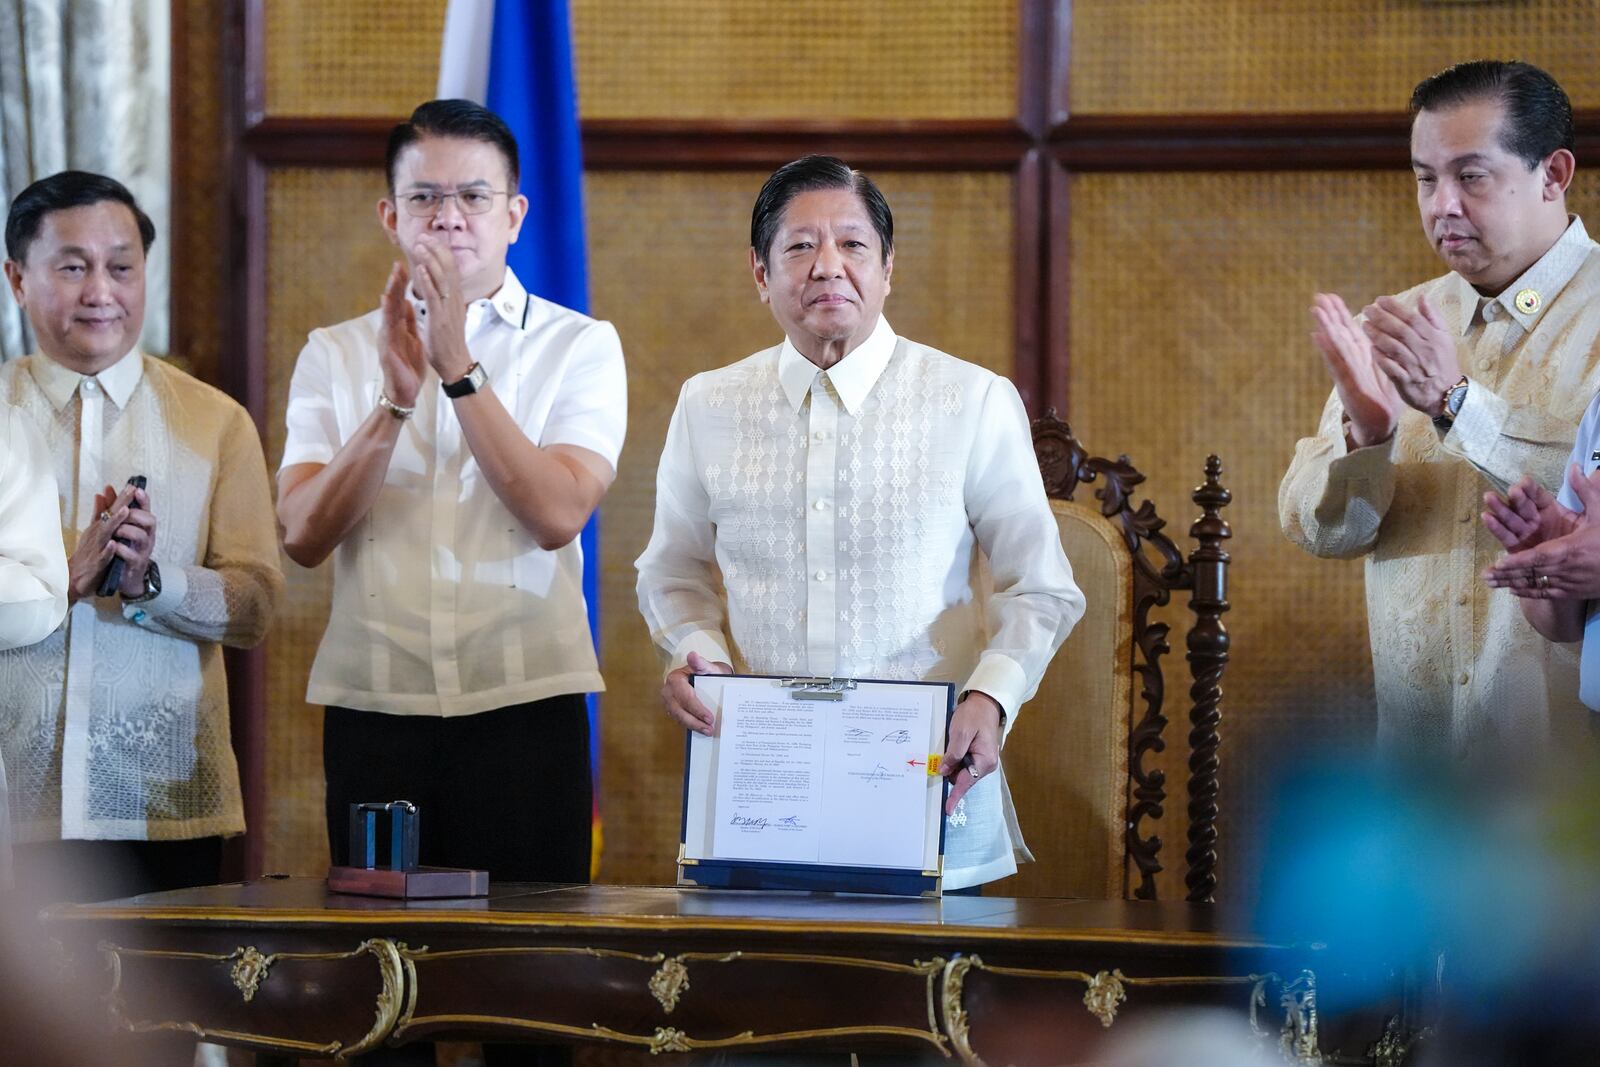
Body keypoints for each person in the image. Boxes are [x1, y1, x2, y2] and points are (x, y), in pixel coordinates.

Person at [635, 155, 1084, 892]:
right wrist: (695, 653)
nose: (827, 266)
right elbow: (670, 570)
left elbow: (1042, 586)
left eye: (852, 244)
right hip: (760, 800)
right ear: (760, 273)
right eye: (799, 247)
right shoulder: (708, 404)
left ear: (887, 268)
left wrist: (992, 696)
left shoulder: (970, 399)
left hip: (928, 787)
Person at [277, 99, 625, 891]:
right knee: (383, 974)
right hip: (377, 707)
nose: (450, 218)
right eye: (426, 198)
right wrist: (395, 401)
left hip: (527, 706)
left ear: (515, 215)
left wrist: (458, 369)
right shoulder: (333, 353)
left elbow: (557, 513)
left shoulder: (581, 345)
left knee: (528, 980)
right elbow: (300, 534)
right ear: (391, 215)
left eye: (474, 196)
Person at [1279, 60, 1600, 761]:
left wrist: (1459, 405)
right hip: (1415, 769)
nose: (1441, 205)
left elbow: (1588, 499)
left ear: (1553, 174)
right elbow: (1319, 530)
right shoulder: (1398, 323)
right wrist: (1368, 438)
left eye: (1471, 176)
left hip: (1565, 782)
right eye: (1426, 178)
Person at [0, 170, 282, 902]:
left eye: (121, 266)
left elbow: (256, 606)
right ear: (16, 278)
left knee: (168, 1018)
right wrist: (60, 575)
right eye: (72, 266)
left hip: (165, 805)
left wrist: (153, 583)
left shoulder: (214, 421)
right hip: (14, 806)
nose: (101, 290)